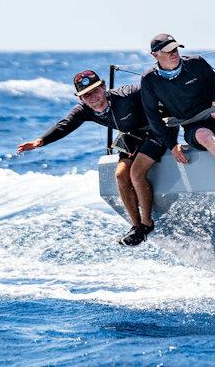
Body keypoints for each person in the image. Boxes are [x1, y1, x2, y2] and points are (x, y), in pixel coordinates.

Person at [17, 70, 166, 246]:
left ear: (103, 86)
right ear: (80, 98)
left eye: (95, 90)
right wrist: (40, 141)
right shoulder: (84, 110)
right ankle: (135, 227)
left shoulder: (126, 94)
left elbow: (157, 90)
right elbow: (64, 125)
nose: (92, 97)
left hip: (157, 132)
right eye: (86, 95)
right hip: (132, 136)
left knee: (136, 172)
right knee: (120, 175)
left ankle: (146, 224)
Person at [141, 34, 215, 175]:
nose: (174, 53)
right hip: (194, 125)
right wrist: (172, 145)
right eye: (168, 51)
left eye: (175, 49)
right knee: (203, 135)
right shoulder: (149, 79)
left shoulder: (195, 62)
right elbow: (152, 115)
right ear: (155, 55)